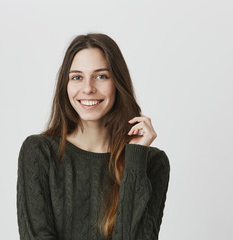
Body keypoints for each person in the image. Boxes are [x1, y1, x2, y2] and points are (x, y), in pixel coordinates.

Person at [16, 33, 170, 240]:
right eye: (77, 77)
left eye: (101, 76)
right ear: (66, 86)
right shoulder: (38, 152)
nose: (88, 88)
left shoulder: (150, 162)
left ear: (118, 83)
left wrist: (135, 157)